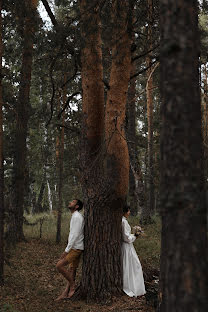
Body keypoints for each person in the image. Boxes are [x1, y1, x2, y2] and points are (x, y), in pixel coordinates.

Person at [55, 199, 84, 300]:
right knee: (71, 270)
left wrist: (66, 250)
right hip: (75, 247)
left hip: (76, 248)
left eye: (72, 202)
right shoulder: (75, 216)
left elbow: (74, 235)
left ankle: (72, 286)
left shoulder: (77, 217)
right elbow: (73, 234)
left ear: (76, 206)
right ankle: (65, 293)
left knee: (59, 266)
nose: (70, 203)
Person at [121, 205, 146, 297]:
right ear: (125, 211)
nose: (129, 212)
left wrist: (133, 234)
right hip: (127, 247)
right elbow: (126, 238)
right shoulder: (123, 222)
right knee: (133, 266)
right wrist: (135, 236)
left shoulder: (122, 221)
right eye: (128, 211)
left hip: (125, 246)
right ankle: (131, 287)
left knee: (129, 265)